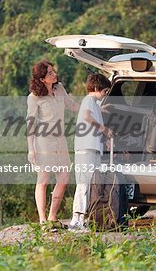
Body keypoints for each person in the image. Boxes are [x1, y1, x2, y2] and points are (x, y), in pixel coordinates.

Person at [26, 60, 79, 230]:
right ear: (42, 79)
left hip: (60, 140)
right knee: (43, 180)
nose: (54, 74)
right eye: (49, 73)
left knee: (64, 178)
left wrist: (92, 103)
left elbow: (72, 106)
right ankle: (43, 221)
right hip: (43, 142)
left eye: (53, 71)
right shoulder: (34, 97)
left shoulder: (59, 89)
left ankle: (52, 217)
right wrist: (31, 149)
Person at [69, 73, 112, 231]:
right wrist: (104, 129)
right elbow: (87, 117)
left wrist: (101, 109)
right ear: (96, 88)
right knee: (84, 184)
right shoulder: (88, 100)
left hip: (92, 149)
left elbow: (91, 112)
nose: (105, 94)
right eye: (104, 91)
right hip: (85, 149)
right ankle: (76, 220)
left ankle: (83, 218)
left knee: (90, 184)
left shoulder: (93, 103)